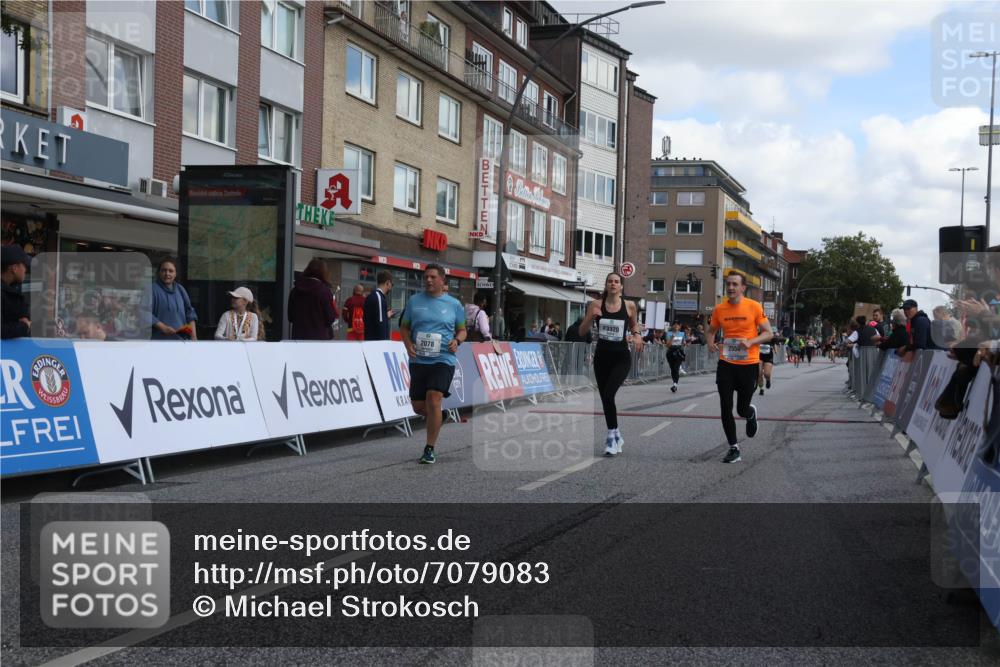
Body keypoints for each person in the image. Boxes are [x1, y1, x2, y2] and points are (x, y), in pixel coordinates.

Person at [400, 264, 467, 464]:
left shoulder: (454, 304)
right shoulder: (414, 301)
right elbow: (404, 328)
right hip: (419, 360)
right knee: (418, 407)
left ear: (442, 280)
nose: (428, 280)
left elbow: (462, 330)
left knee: (434, 397)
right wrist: (408, 345)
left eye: (432, 277)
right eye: (426, 277)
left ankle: (429, 449)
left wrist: (457, 341)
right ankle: (439, 416)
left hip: (443, 359)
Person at [707, 273, 772, 463]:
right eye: (728, 284)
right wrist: (710, 343)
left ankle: (750, 414)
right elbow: (711, 330)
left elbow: (768, 333)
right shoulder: (719, 309)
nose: (731, 288)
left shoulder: (754, 306)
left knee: (741, 409)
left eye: (735, 284)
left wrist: (751, 342)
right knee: (725, 406)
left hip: (748, 364)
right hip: (726, 363)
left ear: (743, 287)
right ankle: (733, 447)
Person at [578, 271, 644, 456]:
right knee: (606, 399)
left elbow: (634, 325)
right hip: (602, 358)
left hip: (621, 358)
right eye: (610, 281)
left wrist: (637, 335)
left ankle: (610, 437)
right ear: (606, 285)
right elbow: (581, 332)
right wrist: (591, 317)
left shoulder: (629, 305)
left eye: (616, 281)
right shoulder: (595, 305)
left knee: (608, 394)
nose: (613, 284)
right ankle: (615, 435)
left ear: (621, 286)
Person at [288, 258, 337, 340]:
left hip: (298, 338)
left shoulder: (295, 290)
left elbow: (290, 317)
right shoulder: (324, 291)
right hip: (318, 339)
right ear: (324, 273)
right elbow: (330, 318)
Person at [150, 258, 198, 340]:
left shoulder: (180, 289)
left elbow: (190, 313)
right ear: (159, 272)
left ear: (175, 274)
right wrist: (163, 327)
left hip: (181, 341)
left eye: (171, 271)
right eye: (164, 270)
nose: (167, 273)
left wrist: (194, 336)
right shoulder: (152, 289)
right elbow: (143, 312)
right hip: (159, 342)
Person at [1, 244, 31, 339]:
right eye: (24, 265)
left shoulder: (13, 289)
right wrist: (24, 326)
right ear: (14, 268)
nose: (26, 270)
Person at [364, 271, 394, 341]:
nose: (391, 287)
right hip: (377, 343)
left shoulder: (374, 296)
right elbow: (381, 324)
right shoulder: (379, 298)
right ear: (387, 282)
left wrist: (385, 316)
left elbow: (373, 319)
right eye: (392, 284)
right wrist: (384, 343)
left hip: (370, 340)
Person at [666, 322, 686, 393]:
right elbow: (668, 345)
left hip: (678, 353)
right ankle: (674, 382)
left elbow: (683, 343)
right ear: (673, 326)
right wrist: (672, 337)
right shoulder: (669, 333)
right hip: (670, 352)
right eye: (675, 325)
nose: (676, 326)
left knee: (676, 368)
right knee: (672, 369)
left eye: (678, 325)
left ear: (680, 326)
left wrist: (684, 343)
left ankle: (675, 385)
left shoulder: (682, 334)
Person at [758, 330, 776, 395]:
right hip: (759, 356)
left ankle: (768, 380)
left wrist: (775, 350)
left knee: (767, 374)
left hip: (768, 356)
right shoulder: (757, 334)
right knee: (759, 373)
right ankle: (761, 388)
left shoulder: (770, 335)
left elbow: (774, 344)